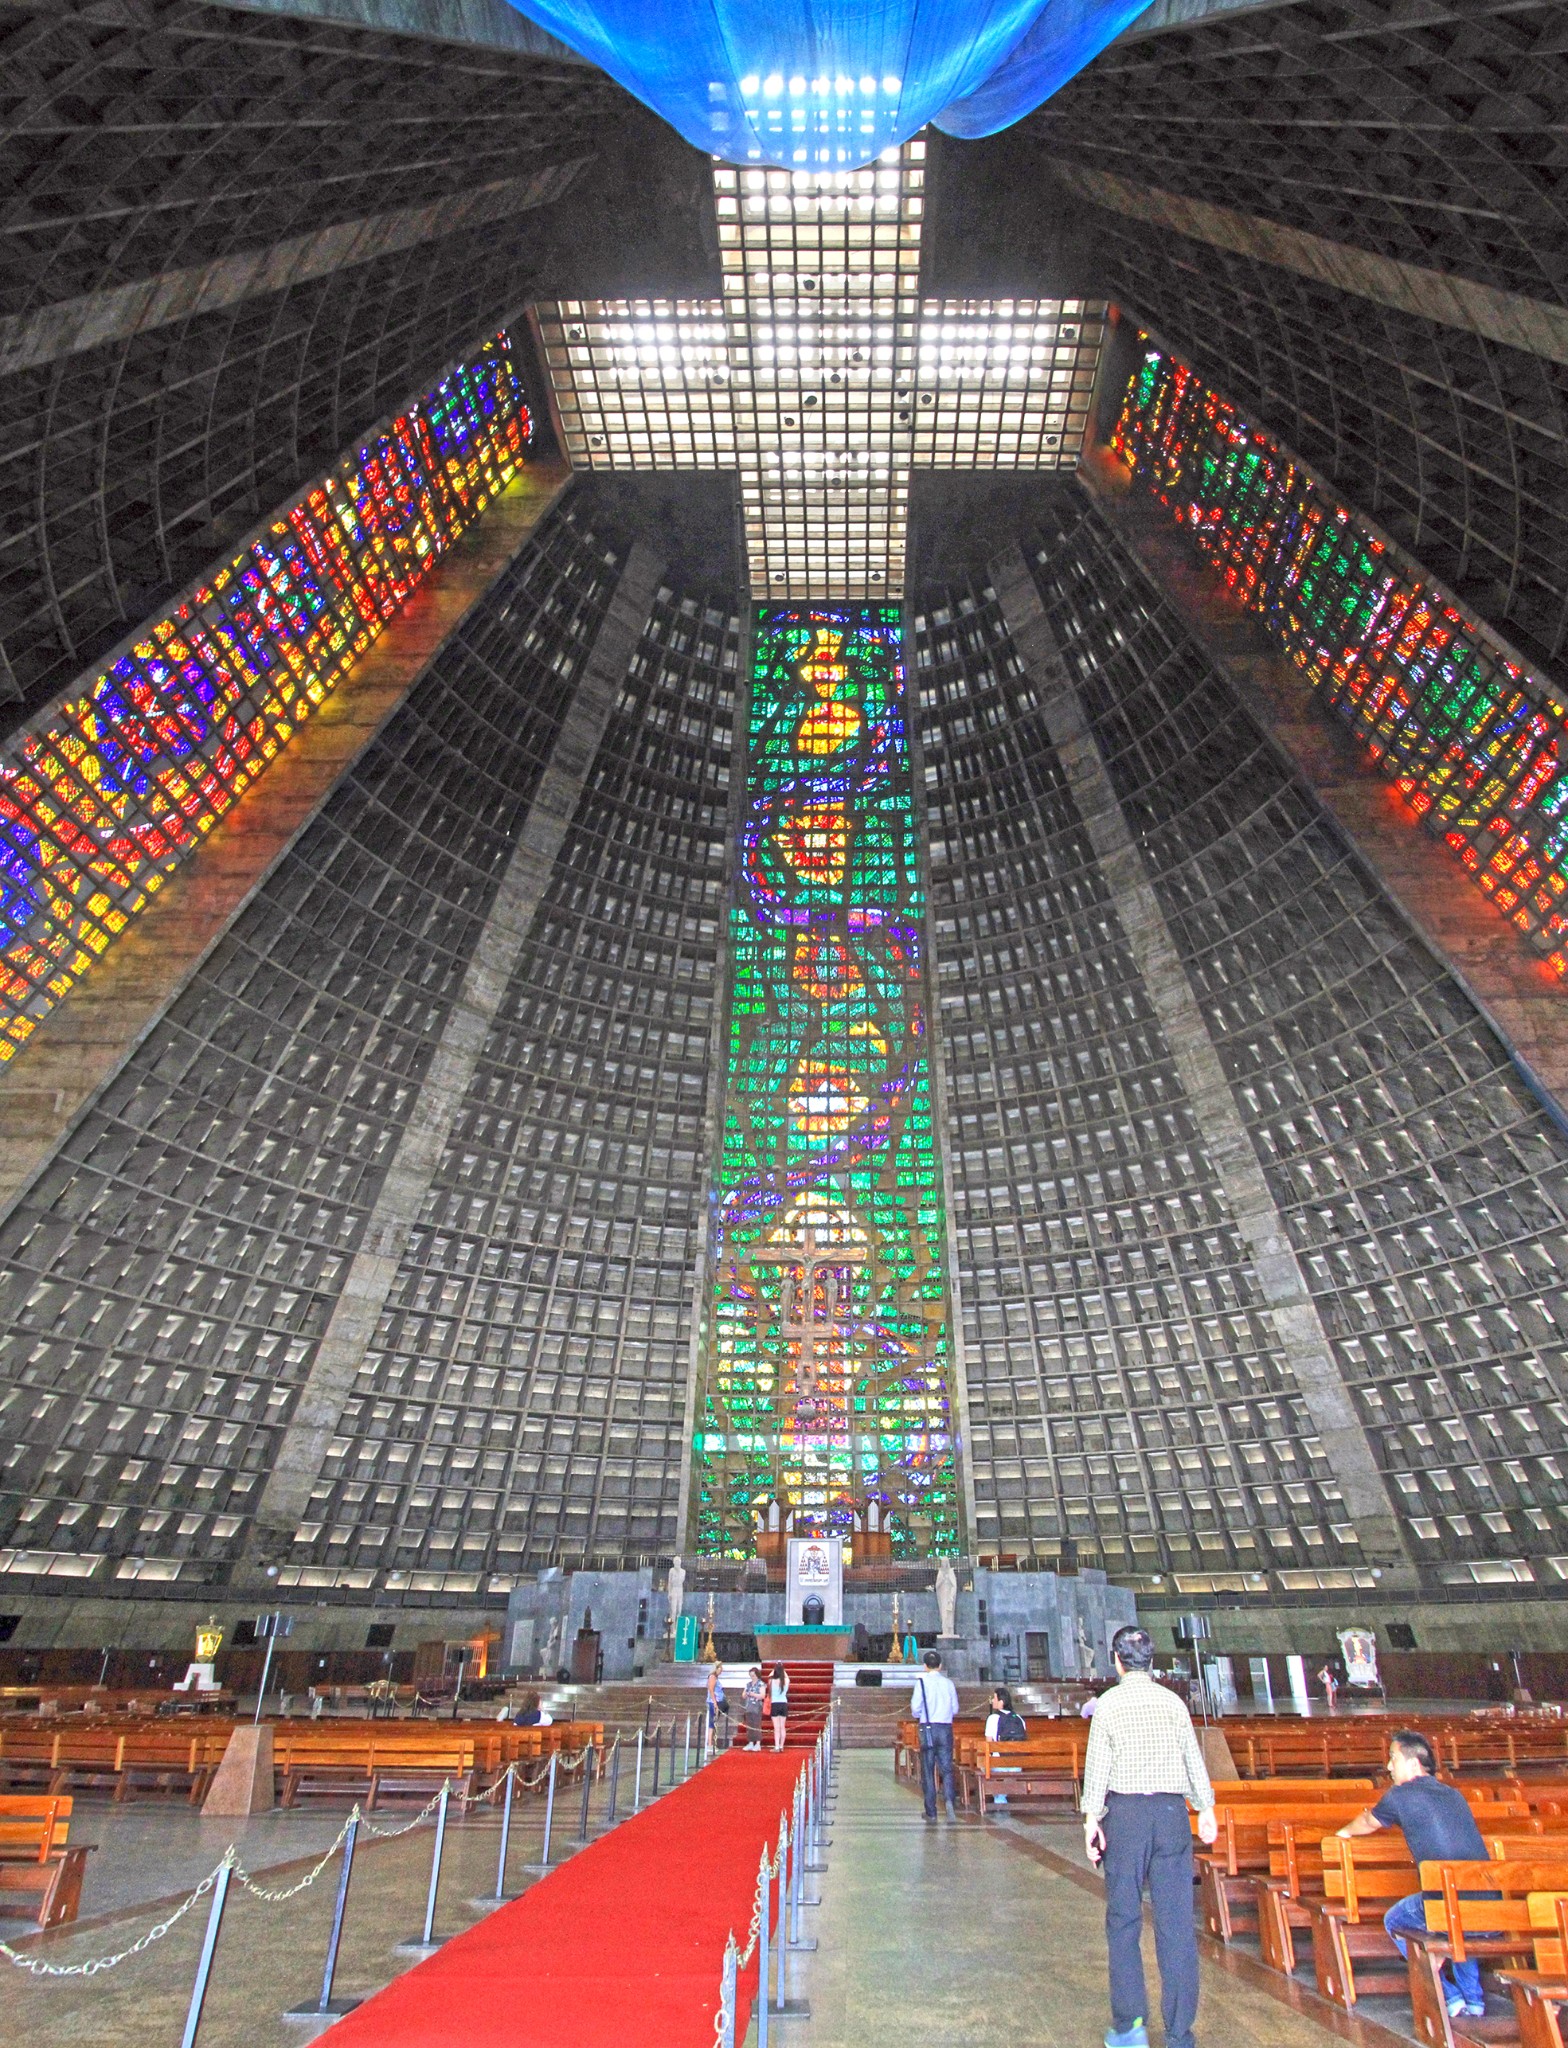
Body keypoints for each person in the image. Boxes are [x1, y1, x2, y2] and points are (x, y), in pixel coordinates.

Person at [1082, 1624, 1218, 2048]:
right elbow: (1192, 1757)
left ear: (1117, 1661)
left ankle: (1130, 2027)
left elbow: (1097, 1767)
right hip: (1171, 1813)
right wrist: (1206, 1807)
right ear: (1151, 1660)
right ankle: (1179, 2032)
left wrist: (1091, 1819)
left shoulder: (1108, 1704)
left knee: (1124, 1919)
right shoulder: (1172, 1702)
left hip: (1126, 1816)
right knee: (1176, 1923)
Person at [1336, 1731, 1494, 2020]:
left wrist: (1342, 1834)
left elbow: (1369, 1821)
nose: (1388, 1766)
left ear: (1413, 1763)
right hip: (1491, 1905)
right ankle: (1474, 2002)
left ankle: (1449, 1996)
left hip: (1447, 1904)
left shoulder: (1400, 1795)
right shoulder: (1453, 1795)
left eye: (1393, 1758)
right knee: (1461, 1919)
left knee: (1395, 1920)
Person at [910, 1648, 960, 1824]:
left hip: (928, 1728)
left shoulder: (921, 1683)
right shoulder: (949, 1684)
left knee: (928, 1770)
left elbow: (915, 1709)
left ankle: (931, 1812)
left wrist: (922, 1715)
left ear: (925, 1666)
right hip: (945, 1728)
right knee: (947, 1769)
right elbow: (955, 1709)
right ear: (940, 1666)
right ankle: (949, 1802)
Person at [984, 1685, 1027, 1808]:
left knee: (982, 1766)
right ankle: (1001, 1799)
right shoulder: (1019, 1718)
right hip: (1016, 1764)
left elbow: (989, 1744)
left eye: (994, 1698)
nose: (992, 1700)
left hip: (999, 1764)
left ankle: (1000, 1801)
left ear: (1001, 1702)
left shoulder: (993, 1718)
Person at [743, 1665, 766, 1748]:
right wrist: (746, 1694)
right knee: (749, 1724)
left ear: (757, 1675)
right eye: (751, 1676)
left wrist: (753, 1694)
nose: (752, 1677)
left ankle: (758, 1743)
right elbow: (743, 1695)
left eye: (753, 1675)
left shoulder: (761, 1684)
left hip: (757, 1706)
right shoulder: (748, 1684)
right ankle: (750, 1742)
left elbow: (762, 1696)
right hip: (749, 1706)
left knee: (756, 1724)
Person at [769, 1661, 790, 1751]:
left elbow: (770, 1675)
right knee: (782, 1727)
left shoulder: (771, 1681)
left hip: (775, 1704)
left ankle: (776, 1746)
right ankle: (781, 1746)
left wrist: (776, 1667)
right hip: (783, 1703)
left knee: (776, 1728)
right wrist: (782, 1669)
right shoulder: (786, 1681)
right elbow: (787, 1676)